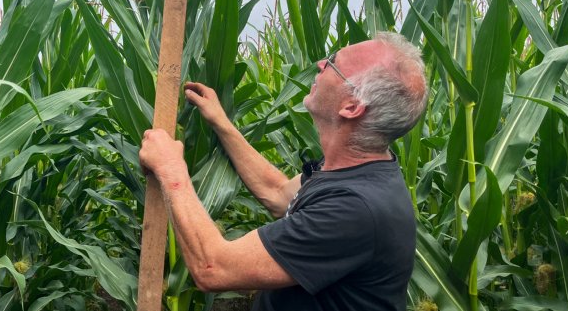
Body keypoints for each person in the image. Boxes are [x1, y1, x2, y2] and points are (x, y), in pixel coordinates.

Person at [139, 32, 429, 310]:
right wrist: (222, 124)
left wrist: (170, 169)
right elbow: (277, 193)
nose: (320, 64)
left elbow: (213, 267)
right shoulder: (356, 170)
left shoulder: (356, 209)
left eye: (334, 63)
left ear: (351, 107)